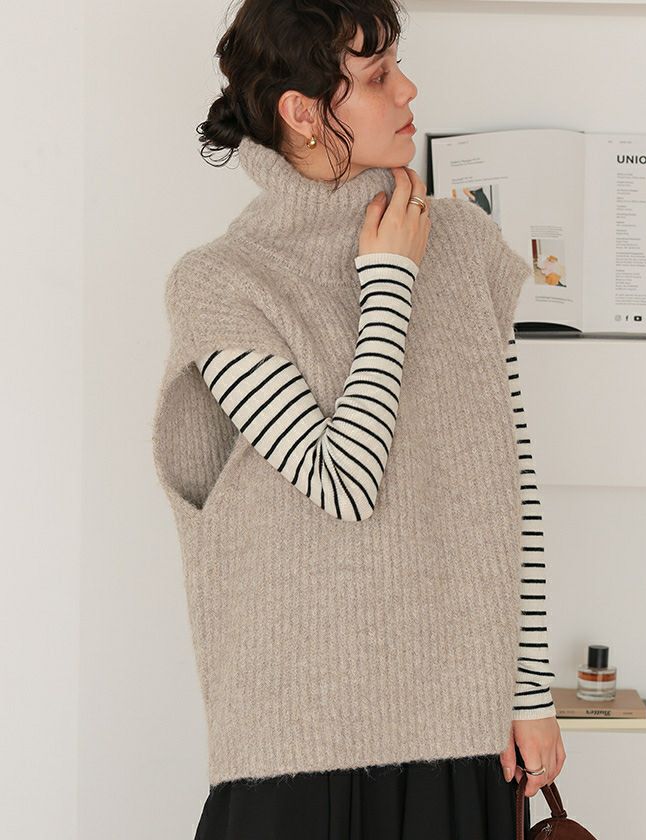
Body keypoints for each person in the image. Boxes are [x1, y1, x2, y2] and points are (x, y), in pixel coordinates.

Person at [151, 1, 566, 837]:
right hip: (297, 744)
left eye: (395, 67)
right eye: (377, 76)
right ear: (302, 113)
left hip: (461, 732)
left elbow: (509, 487)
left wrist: (530, 695)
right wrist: (388, 281)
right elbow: (342, 482)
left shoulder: (465, 246)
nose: (408, 90)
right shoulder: (223, 282)